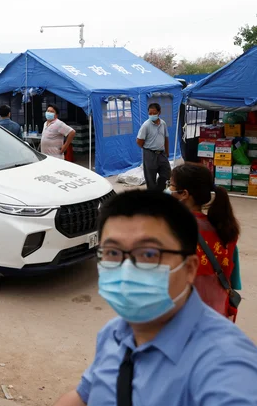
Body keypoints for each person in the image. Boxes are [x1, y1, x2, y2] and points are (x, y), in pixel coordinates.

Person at [54, 190, 257, 406]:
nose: (127, 269)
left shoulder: (225, 365)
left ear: (189, 268)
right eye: (113, 253)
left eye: (149, 254)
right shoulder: (113, 333)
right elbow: (84, 395)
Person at [168, 162, 241, 320]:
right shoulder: (227, 230)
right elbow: (233, 281)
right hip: (218, 319)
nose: (169, 190)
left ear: (184, 194)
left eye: (171, 185)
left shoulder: (172, 231)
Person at [137, 103, 171, 191]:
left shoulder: (163, 123)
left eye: (154, 113)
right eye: (150, 113)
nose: (152, 115)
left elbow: (166, 138)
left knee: (166, 174)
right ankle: (152, 198)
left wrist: (167, 152)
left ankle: (160, 191)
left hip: (161, 153)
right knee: (150, 178)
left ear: (159, 112)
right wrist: (148, 149)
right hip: (150, 154)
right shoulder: (146, 125)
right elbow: (139, 141)